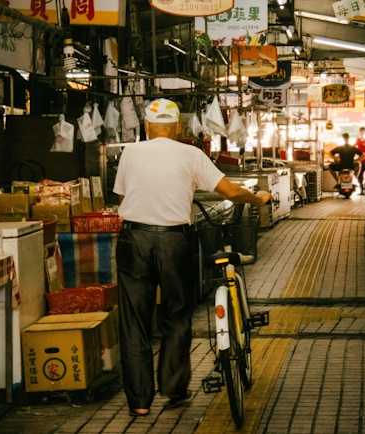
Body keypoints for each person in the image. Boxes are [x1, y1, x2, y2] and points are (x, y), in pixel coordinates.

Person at [112, 98, 272, 417]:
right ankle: (173, 388)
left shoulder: (129, 152)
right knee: (176, 314)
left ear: (146, 126)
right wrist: (257, 198)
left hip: (134, 240)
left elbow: (122, 196)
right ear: (178, 127)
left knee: (134, 321)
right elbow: (228, 192)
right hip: (174, 241)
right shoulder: (191, 153)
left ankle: (140, 403)